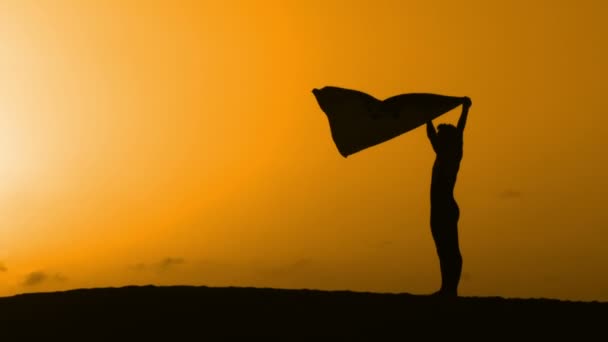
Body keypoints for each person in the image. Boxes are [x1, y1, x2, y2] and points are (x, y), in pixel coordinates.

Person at [426, 97, 472, 297]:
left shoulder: (452, 154)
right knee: (442, 250)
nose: (437, 136)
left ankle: (451, 289)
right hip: (437, 208)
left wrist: (465, 109)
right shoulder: (441, 152)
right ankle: (446, 288)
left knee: (451, 249)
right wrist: (425, 118)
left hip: (445, 206)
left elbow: (460, 130)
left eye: (440, 134)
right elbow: (430, 135)